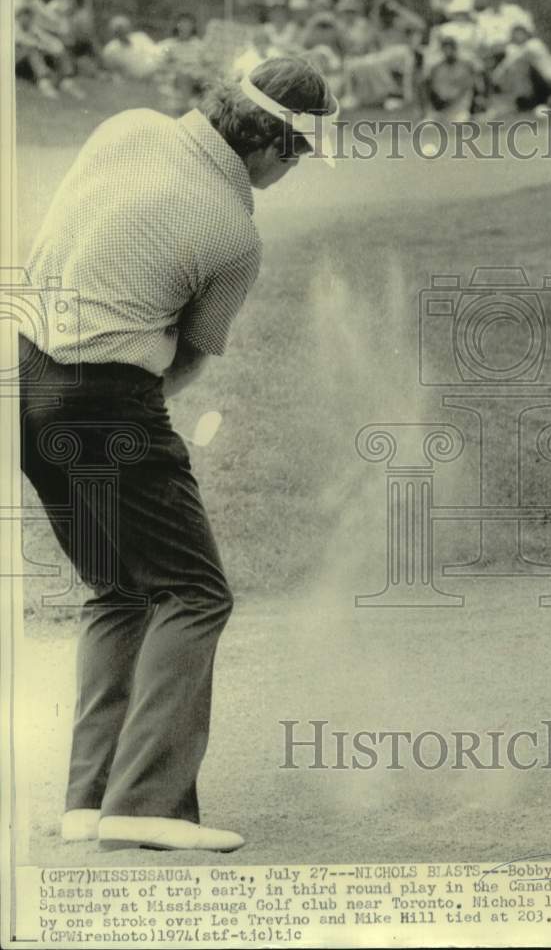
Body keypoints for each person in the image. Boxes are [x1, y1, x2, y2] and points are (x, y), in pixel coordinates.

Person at [19, 56, 338, 853]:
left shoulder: (126, 127)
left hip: (18, 385)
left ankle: (87, 801)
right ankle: (149, 803)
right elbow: (184, 363)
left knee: (118, 589)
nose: (292, 172)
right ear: (271, 145)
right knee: (195, 593)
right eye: (297, 157)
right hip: (110, 401)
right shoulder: (236, 234)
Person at [14, 0, 85, 98]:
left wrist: (61, 15)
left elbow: (50, 19)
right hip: (15, 45)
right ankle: (44, 83)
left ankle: (66, 81)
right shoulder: (15, 2)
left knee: (58, 47)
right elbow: (16, 32)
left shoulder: (36, 2)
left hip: (31, 36)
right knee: (33, 49)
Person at [490, 18, 551, 116]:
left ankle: (532, 102)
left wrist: (497, 74)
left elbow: (513, 60)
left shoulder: (534, 44)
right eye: (515, 33)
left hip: (549, 82)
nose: (518, 36)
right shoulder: (515, 48)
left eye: (521, 33)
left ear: (527, 34)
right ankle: (526, 103)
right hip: (536, 84)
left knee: (520, 66)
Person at [158, 13, 209, 115]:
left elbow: (207, 64)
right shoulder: (170, 45)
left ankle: (186, 107)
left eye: (188, 24)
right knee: (183, 74)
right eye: (182, 23)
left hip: (196, 79)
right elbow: (162, 64)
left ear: (193, 26)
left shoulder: (199, 45)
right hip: (176, 78)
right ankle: (185, 107)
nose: (185, 26)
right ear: (177, 25)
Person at [425, 35, 477, 123]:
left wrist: (450, 99)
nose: (448, 51)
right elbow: (432, 88)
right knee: (426, 125)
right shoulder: (437, 68)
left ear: (455, 49)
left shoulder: (465, 66)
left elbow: (467, 89)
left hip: (459, 109)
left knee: (459, 122)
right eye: (445, 48)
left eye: (450, 48)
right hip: (441, 109)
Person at [102, 15, 162, 81]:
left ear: (129, 28)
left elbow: (156, 54)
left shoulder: (141, 37)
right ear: (113, 32)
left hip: (155, 76)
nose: (121, 32)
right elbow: (112, 70)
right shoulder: (110, 49)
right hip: (134, 81)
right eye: (117, 30)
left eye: (123, 28)